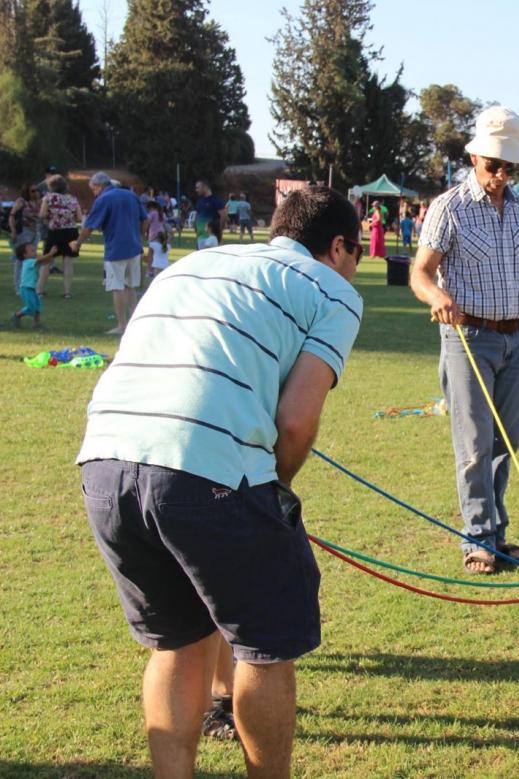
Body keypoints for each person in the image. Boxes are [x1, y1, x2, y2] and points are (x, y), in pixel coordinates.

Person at [77, 186, 364, 779]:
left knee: (176, 644)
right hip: (204, 473)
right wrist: (272, 489)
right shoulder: (332, 288)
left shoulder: (195, 261)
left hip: (106, 461)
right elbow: (296, 419)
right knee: (265, 647)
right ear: (339, 247)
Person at [410, 105, 519, 575]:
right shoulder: (449, 208)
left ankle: (497, 535)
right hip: (467, 338)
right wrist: (436, 295)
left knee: (507, 443)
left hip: (516, 339)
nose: (501, 175)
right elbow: (419, 273)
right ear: (474, 157)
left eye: (509, 167)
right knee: (475, 443)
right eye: (493, 165)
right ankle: (477, 539)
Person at [71, 172, 148, 335]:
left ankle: (122, 325)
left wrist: (77, 243)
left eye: (93, 189)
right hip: (134, 247)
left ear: (99, 186)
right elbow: (145, 219)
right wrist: (139, 235)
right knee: (131, 286)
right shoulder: (130, 195)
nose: (94, 193)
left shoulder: (104, 199)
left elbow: (90, 226)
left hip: (115, 249)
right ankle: (136, 323)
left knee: (116, 286)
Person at [38, 173, 82, 299]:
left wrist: (50, 218)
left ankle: (40, 290)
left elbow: (42, 214)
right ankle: (67, 292)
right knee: (68, 261)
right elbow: (79, 217)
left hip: (55, 231)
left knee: (47, 260)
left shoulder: (48, 198)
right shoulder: (72, 199)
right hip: (71, 232)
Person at [9, 241, 56, 328]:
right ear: (25, 255)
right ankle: (16, 315)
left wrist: (52, 255)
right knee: (31, 308)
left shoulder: (33, 261)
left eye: (35, 250)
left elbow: (45, 261)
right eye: (32, 251)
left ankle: (36, 324)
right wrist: (50, 253)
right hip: (26, 289)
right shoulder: (28, 262)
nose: (35, 252)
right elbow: (41, 259)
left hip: (32, 289)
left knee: (38, 307)